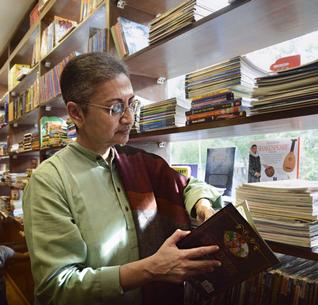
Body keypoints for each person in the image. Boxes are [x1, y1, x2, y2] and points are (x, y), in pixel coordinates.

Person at [22, 53, 223, 305]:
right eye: (115, 108)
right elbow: (56, 288)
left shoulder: (140, 162)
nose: (129, 118)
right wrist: (151, 269)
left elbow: (188, 186)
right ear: (76, 113)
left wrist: (202, 205)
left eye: (131, 104)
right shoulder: (48, 182)